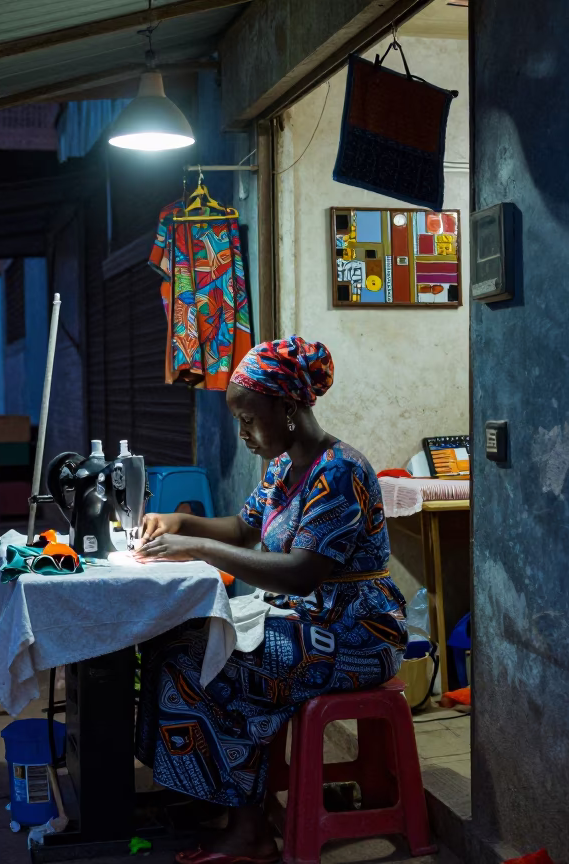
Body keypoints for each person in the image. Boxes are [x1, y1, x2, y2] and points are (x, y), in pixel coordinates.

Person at [135, 336, 408, 864]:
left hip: (359, 633)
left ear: (286, 408)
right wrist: (179, 521)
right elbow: (242, 528)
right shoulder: (285, 468)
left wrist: (195, 545)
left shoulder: (339, 471)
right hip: (311, 623)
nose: (242, 434)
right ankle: (218, 801)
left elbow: (303, 574)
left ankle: (248, 830)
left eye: (247, 418)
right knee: (172, 644)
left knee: (208, 662)